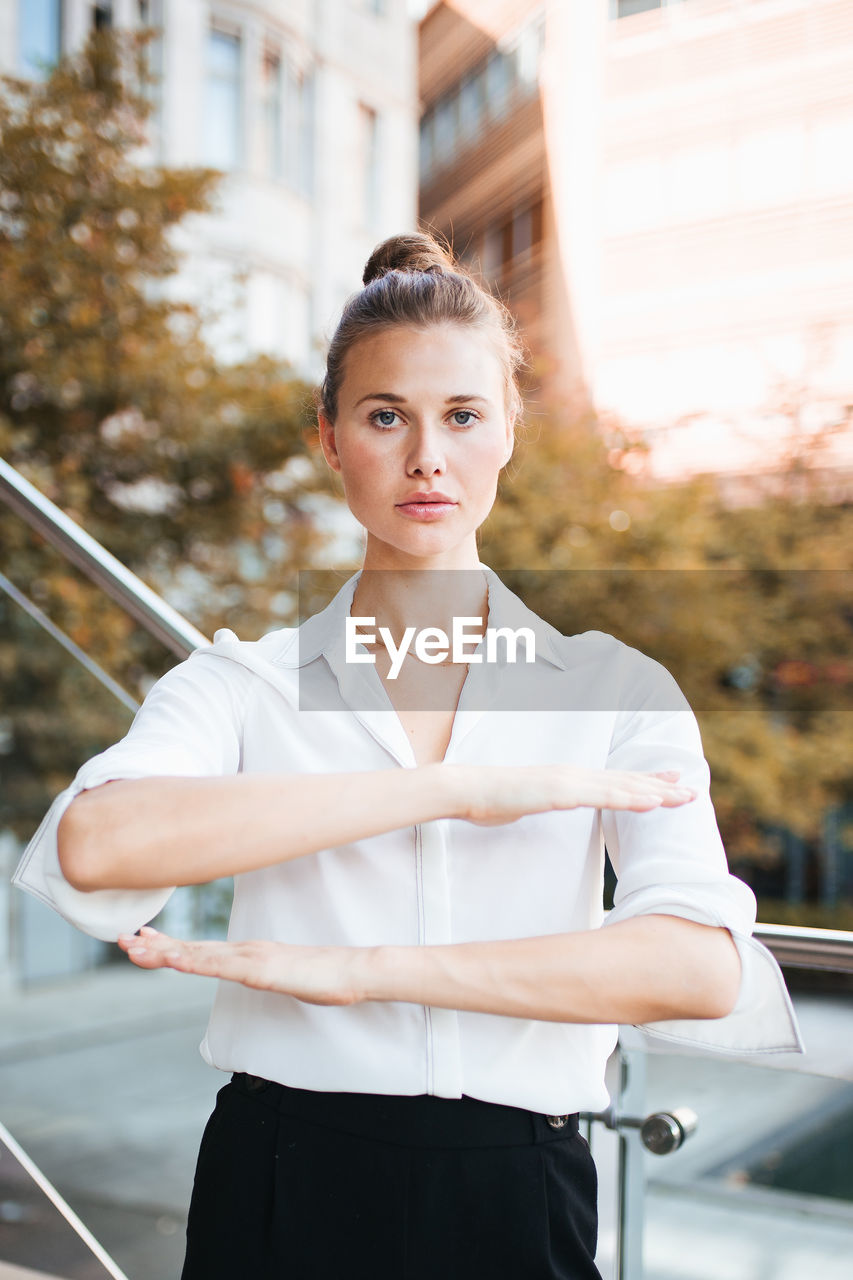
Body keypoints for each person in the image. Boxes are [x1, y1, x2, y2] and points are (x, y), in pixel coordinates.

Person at [12, 232, 802, 1280]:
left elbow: (698, 964)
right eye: (386, 416)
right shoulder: (244, 680)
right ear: (333, 439)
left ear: (509, 431)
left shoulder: (615, 687)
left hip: (518, 1189)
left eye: (463, 416)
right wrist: (450, 787)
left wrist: (366, 971)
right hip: (279, 1179)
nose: (427, 456)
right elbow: (98, 842)